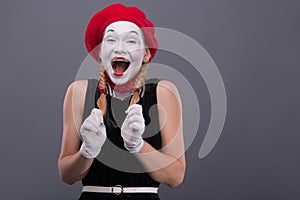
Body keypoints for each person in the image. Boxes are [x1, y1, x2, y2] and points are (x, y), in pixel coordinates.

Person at [58, 3, 186, 200]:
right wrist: (87, 151)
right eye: (110, 39)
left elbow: (175, 177)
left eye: (131, 41)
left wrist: (137, 145)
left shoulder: (164, 92)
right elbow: (67, 175)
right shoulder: (79, 92)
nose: (119, 47)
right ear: (100, 52)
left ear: (146, 54)